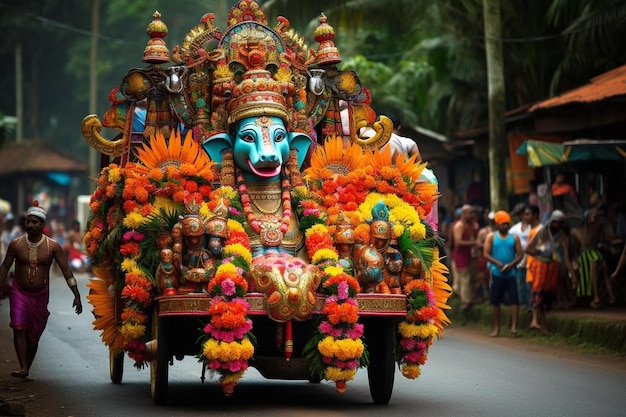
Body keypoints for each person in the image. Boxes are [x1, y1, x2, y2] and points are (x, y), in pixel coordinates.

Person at [0, 201, 82, 381]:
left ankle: (26, 366)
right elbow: (5, 266)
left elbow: (66, 270)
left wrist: (76, 294)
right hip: (18, 292)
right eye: (28, 222)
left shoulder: (53, 247)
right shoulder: (16, 244)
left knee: (34, 336)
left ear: (43, 225)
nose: (30, 225)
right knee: (19, 327)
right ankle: (22, 367)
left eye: (34, 222)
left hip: (40, 296)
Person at [525, 210, 577, 335]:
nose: (557, 225)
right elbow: (528, 248)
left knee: (548, 297)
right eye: (556, 222)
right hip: (541, 266)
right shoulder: (542, 232)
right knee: (537, 292)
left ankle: (543, 326)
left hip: (553, 269)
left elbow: (566, 258)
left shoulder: (563, 237)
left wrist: (572, 274)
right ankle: (534, 320)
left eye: (560, 223)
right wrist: (540, 253)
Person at [483, 210, 523, 337]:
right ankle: (496, 328)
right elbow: (485, 254)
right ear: (497, 224)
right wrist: (498, 263)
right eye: (503, 224)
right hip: (497, 273)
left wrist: (511, 264)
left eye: (507, 224)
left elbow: (520, 254)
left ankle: (514, 327)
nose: (505, 226)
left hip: (511, 273)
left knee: (514, 301)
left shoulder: (514, 238)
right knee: (496, 302)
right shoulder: (492, 237)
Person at [570, 206, 616, 308]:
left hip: (594, 254)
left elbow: (607, 240)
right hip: (586, 256)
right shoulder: (577, 231)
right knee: (599, 271)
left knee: (602, 271)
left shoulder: (599, 227)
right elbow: (574, 248)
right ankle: (598, 296)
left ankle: (603, 296)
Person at [451, 204, 479, 321]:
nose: (472, 215)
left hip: (468, 256)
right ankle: (465, 302)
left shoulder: (469, 225)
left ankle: (461, 297)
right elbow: (457, 242)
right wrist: (474, 243)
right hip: (460, 256)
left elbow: (476, 229)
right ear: (464, 213)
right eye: (470, 213)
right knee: (464, 279)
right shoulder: (459, 225)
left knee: (465, 280)